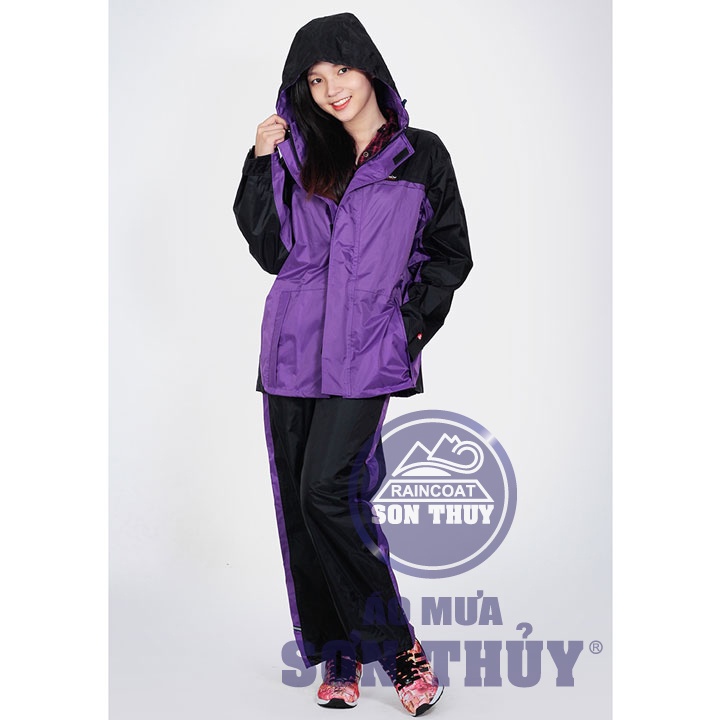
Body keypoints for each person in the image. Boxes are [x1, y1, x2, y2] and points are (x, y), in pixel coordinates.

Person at [233, 12, 472, 716]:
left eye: (340, 69)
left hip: (367, 350)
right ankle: (339, 649)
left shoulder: (420, 155)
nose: (331, 87)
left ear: (369, 69)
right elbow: (271, 251)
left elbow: (450, 253)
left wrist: (407, 330)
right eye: (314, 79)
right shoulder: (300, 153)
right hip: (293, 347)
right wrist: (257, 163)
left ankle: (398, 649)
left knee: (327, 493)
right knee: (304, 503)